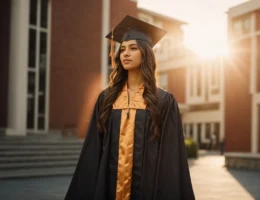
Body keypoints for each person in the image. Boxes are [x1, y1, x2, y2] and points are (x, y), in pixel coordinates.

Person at [65, 15, 195, 200]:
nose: (125, 53)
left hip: (147, 188)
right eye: (123, 49)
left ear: (146, 53)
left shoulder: (163, 100)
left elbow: (171, 158)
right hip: (109, 186)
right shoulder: (107, 98)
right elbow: (93, 150)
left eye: (133, 48)